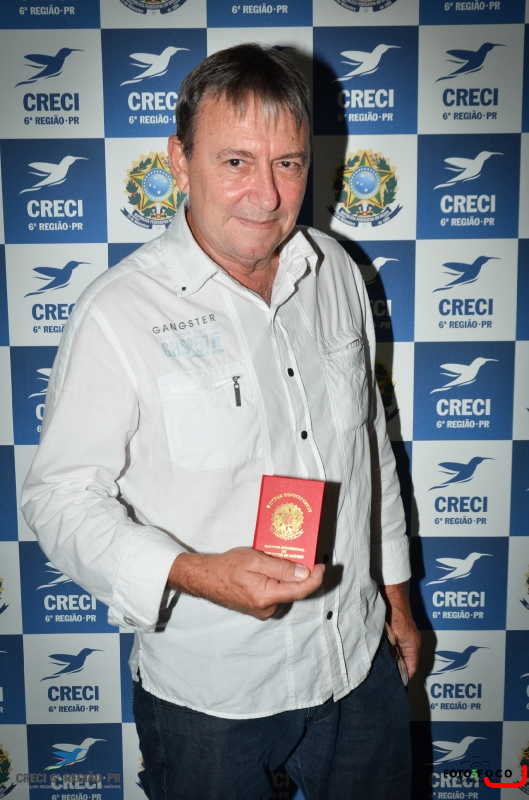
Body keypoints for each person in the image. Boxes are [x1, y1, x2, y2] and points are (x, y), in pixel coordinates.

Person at [22, 43, 420, 800]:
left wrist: (395, 598)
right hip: (212, 695)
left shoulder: (336, 270)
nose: (266, 195)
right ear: (179, 161)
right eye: (236, 161)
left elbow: (368, 444)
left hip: (356, 661)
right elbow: (59, 498)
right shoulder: (118, 312)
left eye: (288, 164)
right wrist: (196, 573)